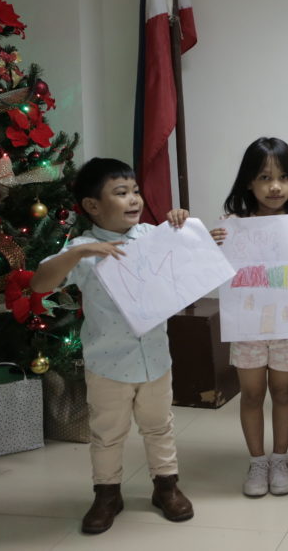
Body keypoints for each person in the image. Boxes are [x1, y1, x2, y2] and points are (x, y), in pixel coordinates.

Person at [31, 158, 194, 534]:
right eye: (121, 193)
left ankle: (166, 486)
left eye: (135, 191)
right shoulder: (83, 248)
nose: (134, 199)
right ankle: (107, 494)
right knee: (107, 432)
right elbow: (40, 285)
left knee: (159, 426)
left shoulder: (152, 236)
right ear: (92, 206)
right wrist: (75, 255)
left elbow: (189, 259)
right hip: (107, 363)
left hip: (155, 359)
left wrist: (181, 223)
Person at [209, 138, 288, 497]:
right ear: (249, 182)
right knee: (251, 393)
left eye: (284, 178)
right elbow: (215, 274)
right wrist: (210, 248)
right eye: (264, 177)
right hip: (247, 327)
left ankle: (280, 458)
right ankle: (257, 461)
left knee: (283, 391)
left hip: (287, 326)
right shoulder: (232, 228)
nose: (275, 187)